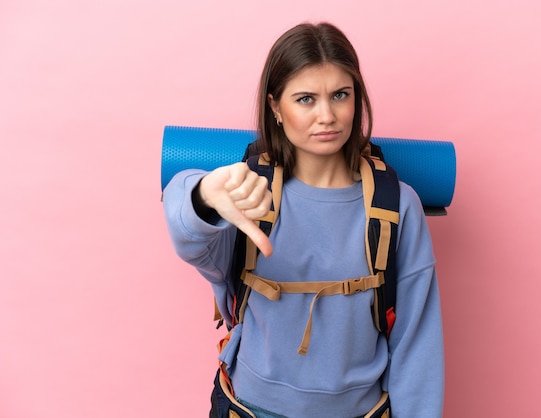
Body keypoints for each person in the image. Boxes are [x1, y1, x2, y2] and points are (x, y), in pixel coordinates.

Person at [163, 22, 444, 418]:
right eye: (306, 99)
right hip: (248, 408)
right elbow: (187, 232)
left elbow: (418, 344)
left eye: (340, 95)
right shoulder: (246, 192)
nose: (326, 116)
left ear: (356, 99)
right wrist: (203, 195)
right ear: (276, 107)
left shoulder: (397, 206)